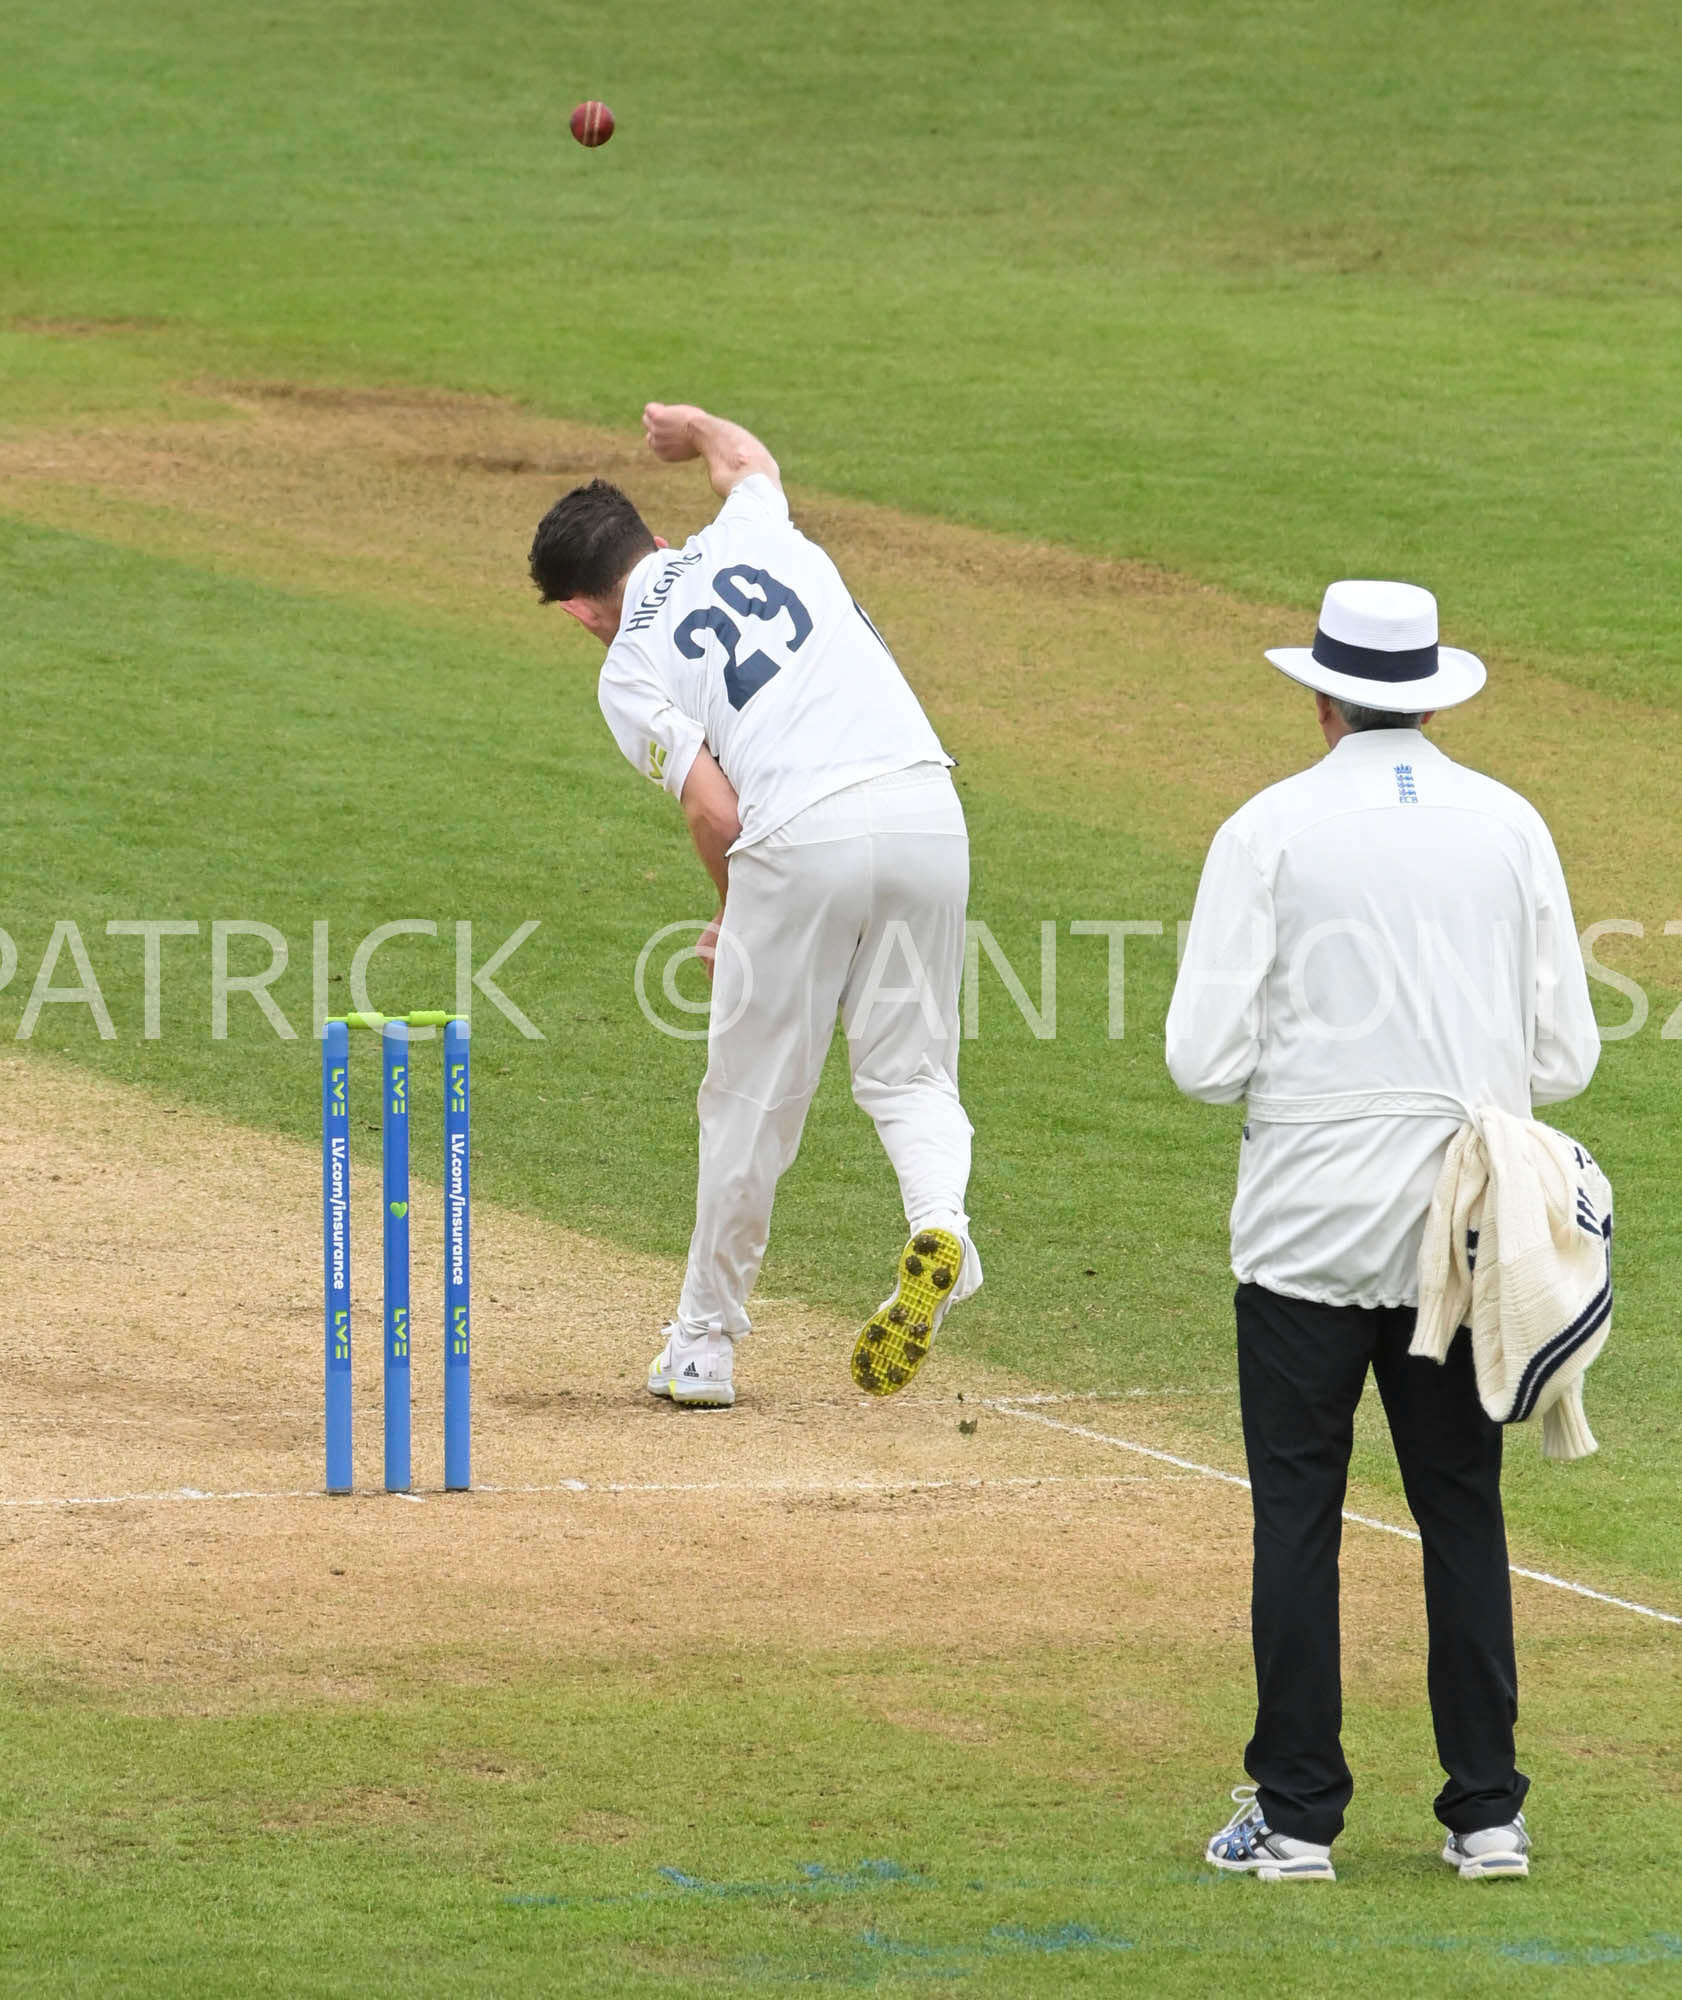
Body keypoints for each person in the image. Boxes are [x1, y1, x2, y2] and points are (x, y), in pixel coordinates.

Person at [1165, 579, 1599, 1884]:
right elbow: (1564, 1055)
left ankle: (1295, 1819)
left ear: (1320, 692)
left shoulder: (1268, 829)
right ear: (1426, 690)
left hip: (1303, 1227)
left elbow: (1198, 1058)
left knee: (1294, 1516)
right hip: (1460, 1236)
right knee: (1459, 1512)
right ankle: (1485, 1815)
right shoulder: (1508, 826)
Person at [528, 403, 981, 1410]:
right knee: (910, 1072)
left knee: (748, 1104)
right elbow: (745, 459)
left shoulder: (626, 664)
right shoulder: (749, 527)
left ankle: (700, 1347)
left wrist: (736, 916)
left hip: (799, 831)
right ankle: (940, 1223)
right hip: (926, 806)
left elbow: (715, 806)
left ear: (577, 607)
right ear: (650, 537)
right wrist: (689, 426)